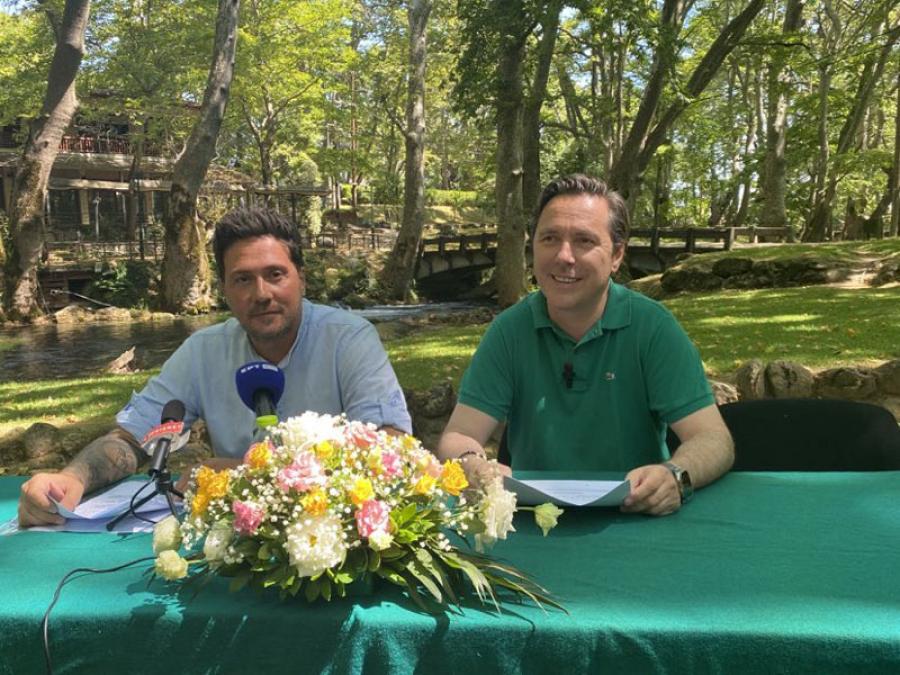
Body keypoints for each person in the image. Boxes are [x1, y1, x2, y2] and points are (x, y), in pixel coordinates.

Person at [19, 208, 412, 527]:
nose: (261, 294)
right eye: (242, 280)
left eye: (275, 274)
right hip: (234, 542)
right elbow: (132, 439)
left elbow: (391, 448)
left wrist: (246, 475)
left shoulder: (349, 340)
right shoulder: (203, 351)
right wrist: (71, 478)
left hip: (338, 537)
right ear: (224, 290)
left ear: (302, 280)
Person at [437, 174, 733, 516]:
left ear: (617, 254)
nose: (564, 256)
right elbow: (458, 435)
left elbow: (714, 439)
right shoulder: (509, 331)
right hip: (533, 522)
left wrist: (675, 475)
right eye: (550, 238)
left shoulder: (653, 328)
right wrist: (472, 463)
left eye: (584, 241)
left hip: (636, 517)